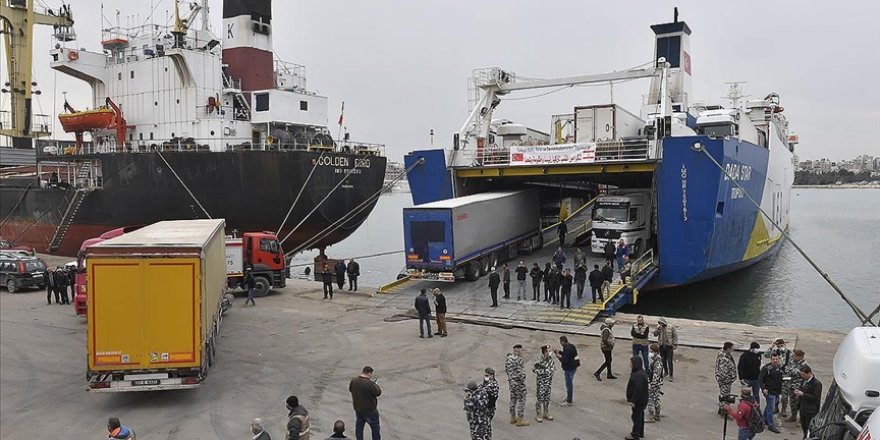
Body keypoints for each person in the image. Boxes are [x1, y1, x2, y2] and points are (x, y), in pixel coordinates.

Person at [349, 366, 382, 440]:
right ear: (369, 373)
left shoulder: (354, 381)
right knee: (375, 428)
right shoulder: (369, 383)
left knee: (359, 428)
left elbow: (351, 389)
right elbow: (378, 392)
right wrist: (375, 385)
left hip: (358, 409)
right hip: (370, 410)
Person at [764, 338, 792, 415]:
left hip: (786, 377)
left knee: (784, 395)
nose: (780, 347)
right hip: (776, 376)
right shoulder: (775, 352)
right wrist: (772, 346)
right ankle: (775, 408)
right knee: (775, 394)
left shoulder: (789, 353)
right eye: (779, 346)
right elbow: (766, 355)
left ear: (785, 345)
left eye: (782, 345)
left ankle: (784, 409)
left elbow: (794, 364)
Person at [794, 364, 822, 439]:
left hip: (811, 410)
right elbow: (801, 388)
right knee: (804, 427)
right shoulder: (804, 380)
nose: (802, 376)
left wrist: (803, 394)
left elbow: (815, 397)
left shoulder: (817, 384)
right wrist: (798, 392)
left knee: (810, 428)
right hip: (803, 408)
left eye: (803, 374)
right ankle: (805, 437)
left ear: (809, 373)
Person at [758, 353, 784, 433]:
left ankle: (763, 420)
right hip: (769, 391)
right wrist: (763, 389)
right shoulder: (767, 368)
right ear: (771, 359)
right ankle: (771, 425)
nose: (775, 361)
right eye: (773, 359)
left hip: (777, 391)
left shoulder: (780, 367)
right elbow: (760, 379)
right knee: (771, 408)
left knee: (769, 407)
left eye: (776, 359)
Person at [505, 344, 529, 426]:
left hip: (511, 383)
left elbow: (507, 370)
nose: (522, 352)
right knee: (521, 400)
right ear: (518, 351)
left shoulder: (508, 359)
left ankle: (512, 417)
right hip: (519, 384)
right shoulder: (519, 360)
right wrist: (523, 379)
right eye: (521, 350)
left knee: (513, 399)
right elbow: (521, 374)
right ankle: (520, 420)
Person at [625, 356, 649, 440]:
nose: (630, 365)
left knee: (636, 417)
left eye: (631, 363)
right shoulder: (639, 372)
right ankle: (640, 432)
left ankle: (635, 434)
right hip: (642, 400)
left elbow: (637, 389)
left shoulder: (638, 375)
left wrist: (633, 401)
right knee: (640, 416)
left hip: (639, 401)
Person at [784, 349, 809, 423]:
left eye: (796, 356)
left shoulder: (805, 365)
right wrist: (793, 371)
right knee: (792, 402)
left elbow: (803, 375)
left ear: (800, 357)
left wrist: (793, 371)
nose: (794, 357)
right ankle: (793, 416)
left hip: (799, 386)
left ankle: (801, 419)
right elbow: (787, 369)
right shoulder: (792, 361)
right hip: (791, 385)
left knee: (800, 403)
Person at [554, 335, 579, 406]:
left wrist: (558, 357)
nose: (560, 343)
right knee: (570, 383)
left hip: (569, 368)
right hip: (574, 367)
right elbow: (569, 355)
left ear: (562, 341)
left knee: (569, 385)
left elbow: (564, 361)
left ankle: (569, 401)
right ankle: (568, 397)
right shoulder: (571, 346)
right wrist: (560, 352)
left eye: (560, 342)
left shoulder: (567, 349)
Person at [533, 345, 556, 423]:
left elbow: (553, 368)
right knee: (540, 398)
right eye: (547, 351)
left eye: (549, 351)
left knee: (547, 397)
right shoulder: (539, 360)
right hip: (541, 382)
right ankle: (538, 414)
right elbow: (534, 369)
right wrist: (544, 372)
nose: (548, 353)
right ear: (544, 352)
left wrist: (549, 371)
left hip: (549, 382)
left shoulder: (550, 360)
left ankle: (546, 412)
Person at [715, 341, 738, 416]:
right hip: (725, 381)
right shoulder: (724, 359)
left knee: (724, 394)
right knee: (725, 396)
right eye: (731, 349)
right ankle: (724, 411)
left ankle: (721, 409)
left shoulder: (725, 355)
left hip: (726, 380)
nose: (732, 350)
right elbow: (723, 372)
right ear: (728, 349)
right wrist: (728, 380)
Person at [738, 342, 762, 409]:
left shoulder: (758, 355)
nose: (757, 350)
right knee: (745, 394)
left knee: (756, 395)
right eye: (756, 349)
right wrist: (741, 378)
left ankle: (757, 408)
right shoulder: (744, 356)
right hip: (747, 379)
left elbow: (759, 364)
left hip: (756, 379)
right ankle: (743, 407)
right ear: (752, 349)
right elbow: (740, 367)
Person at [653, 317, 678, 381]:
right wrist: (658, 330)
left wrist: (675, 344)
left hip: (669, 346)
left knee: (669, 361)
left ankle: (671, 375)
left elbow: (675, 336)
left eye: (662, 323)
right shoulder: (658, 327)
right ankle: (666, 372)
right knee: (663, 360)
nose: (661, 324)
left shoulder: (670, 327)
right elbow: (655, 334)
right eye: (660, 323)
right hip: (661, 345)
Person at [646, 343, 664, 423]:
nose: (650, 353)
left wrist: (652, 384)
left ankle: (652, 416)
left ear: (656, 352)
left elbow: (656, 375)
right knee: (656, 399)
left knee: (651, 400)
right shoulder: (655, 360)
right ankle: (657, 415)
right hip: (656, 383)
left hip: (655, 384)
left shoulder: (658, 363)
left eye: (652, 351)